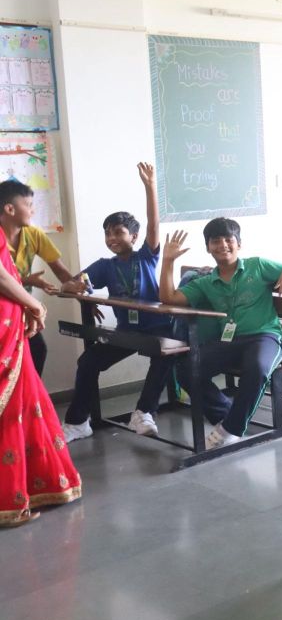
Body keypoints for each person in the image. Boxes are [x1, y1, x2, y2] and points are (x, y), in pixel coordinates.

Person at [158, 219, 282, 449]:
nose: (223, 245)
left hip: (265, 337)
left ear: (239, 244)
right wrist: (167, 261)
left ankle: (232, 428)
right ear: (208, 247)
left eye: (229, 240)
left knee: (256, 368)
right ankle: (226, 414)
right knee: (186, 368)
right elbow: (169, 298)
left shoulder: (257, 265)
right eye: (216, 241)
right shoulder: (206, 282)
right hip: (231, 341)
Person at [61, 162, 171, 442]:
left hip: (158, 327)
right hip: (127, 332)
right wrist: (82, 292)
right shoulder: (104, 265)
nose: (112, 238)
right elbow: (74, 282)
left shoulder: (147, 256)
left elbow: (154, 224)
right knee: (88, 361)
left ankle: (144, 412)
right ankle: (78, 422)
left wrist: (150, 187)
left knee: (164, 356)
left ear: (133, 237)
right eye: (108, 233)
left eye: (119, 232)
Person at [0, 229, 82, 527]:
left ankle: (36, 485)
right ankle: (7, 500)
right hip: (4, 327)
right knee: (11, 410)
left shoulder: (30, 234)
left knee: (26, 402)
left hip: (10, 324)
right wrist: (34, 304)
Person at [0, 177, 78, 375]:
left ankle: (30, 400)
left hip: (21, 307)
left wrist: (76, 290)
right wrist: (27, 282)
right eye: (28, 205)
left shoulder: (33, 234)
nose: (33, 210)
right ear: (10, 209)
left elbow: (60, 270)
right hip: (6, 308)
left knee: (36, 350)